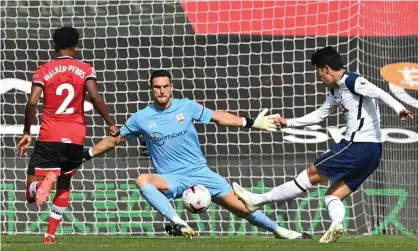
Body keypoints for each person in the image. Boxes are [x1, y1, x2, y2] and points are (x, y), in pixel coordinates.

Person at [82, 69, 311, 240]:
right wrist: (87, 154)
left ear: (171, 87)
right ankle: (177, 221)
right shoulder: (141, 117)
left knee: (243, 208)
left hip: (200, 172)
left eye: (165, 86)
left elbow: (219, 118)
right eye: (156, 87)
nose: (161, 91)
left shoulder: (186, 107)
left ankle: (281, 231)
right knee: (142, 179)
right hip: (171, 178)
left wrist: (251, 123)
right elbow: (114, 139)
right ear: (151, 89)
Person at [233, 46, 414, 243]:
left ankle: (257, 201)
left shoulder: (351, 80)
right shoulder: (335, 90)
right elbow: (320, 114)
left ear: (326, 68)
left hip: (357, 146)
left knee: (309, 175)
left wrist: (400, 108)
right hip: (373, 154)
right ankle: (336, 223)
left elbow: (379, 92)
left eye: (319, 72)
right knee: (332, 197)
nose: (319, 78)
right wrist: (289, 123)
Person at [15, 27, 119, 244]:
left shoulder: (43, 70)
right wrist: (110, 123)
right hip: (75, 138)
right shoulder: (85, 69)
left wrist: (26, 131)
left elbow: (32, 101)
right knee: (64, 185)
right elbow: (95, 96)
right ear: (76, 47)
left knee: (31, 194)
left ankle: (45, 181)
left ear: (55, 46)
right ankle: (50, 234)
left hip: (49, 136)